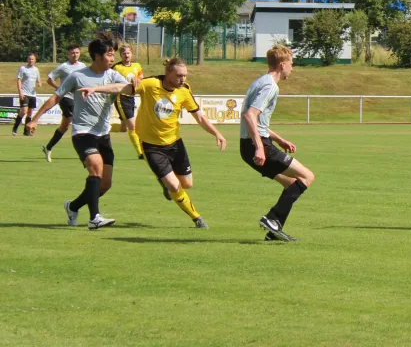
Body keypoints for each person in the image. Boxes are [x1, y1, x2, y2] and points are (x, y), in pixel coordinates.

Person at [78, 58, 227, 229]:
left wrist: (217, 133)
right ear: (168, 73)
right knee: (173, 185)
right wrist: (96, 89)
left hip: (175, 144)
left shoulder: (184, 91)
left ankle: (165, 183)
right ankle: (197, 218)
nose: (183, 79)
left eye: (185, 76)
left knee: (187, 184)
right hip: (152, 146)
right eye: (179, 75)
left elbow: (199, 116)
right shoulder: (150, 84)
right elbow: (121, 88)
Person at [27, 32, 128, 230]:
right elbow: (55, 97)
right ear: (98, 56)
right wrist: (35, 119)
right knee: (95, 167)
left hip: (103, 134)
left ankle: (73, 206)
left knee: (105, 184)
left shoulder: (113, 74)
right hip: (82, 132)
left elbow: (128, 89)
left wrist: (123, 86)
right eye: (109, 54)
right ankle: (94, 218)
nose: (112, 58)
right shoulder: (77, 76)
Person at [239, 45, 315, 242]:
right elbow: (250, 116)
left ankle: (274, 231)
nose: (292, 68)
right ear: (282, 65)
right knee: (307, 176)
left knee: (291, 184)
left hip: (249, 145)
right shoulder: (270, 86)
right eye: (291, 64)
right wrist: (259, 146)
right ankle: (272, 219)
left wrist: (279, 139)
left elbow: (258, 121)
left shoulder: (260, 82)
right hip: (256, 146)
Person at [41, 44, 87, 162]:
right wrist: (61, 88)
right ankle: (85, 150)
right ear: (68, 55)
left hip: (78, 99)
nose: (75, 55)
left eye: (76, 52)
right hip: (66, 98)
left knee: (65, 126)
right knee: (76, 120)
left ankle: (48, 147)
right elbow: (49, 79)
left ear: (79, 53)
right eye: (72, 53)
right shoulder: (63, 67)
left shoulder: (83, 66)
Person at [112, 44, 144, 159]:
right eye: (124, 53)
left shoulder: (136, 65)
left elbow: (141, 76)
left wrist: (138, 79)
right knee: (133, 126)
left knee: (123, 128)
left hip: (131, 97)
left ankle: (107, 128)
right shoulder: (116, 68)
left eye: (128, 53)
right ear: (120, 55)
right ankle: (140, 152)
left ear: (131, 54)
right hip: (121, 98)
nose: (126, 55)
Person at [12, 53, 41, 136]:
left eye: (32, 59)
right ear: (27, 60)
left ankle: (26, 131)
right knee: (24, 110)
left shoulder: (36, 70)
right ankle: (15, 128)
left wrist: (39, 84)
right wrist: (20, 92)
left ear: (35, 60)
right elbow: (19, 80)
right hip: (24, 93)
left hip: (33, 94)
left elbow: (38, 81)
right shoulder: (23, 68)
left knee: (30, 113)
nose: (31, 60)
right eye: (29, 59)